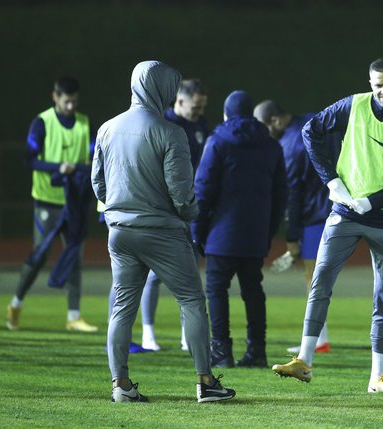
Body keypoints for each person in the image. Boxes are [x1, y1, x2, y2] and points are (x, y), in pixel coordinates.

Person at [272, 58, 383, 394]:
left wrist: (371, 201)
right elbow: (309, 130)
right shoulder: (353, 105)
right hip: (345, 213)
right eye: (378, 85)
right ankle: (304, 360)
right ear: (370, 83)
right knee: (320, 282)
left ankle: (377, 377)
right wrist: (332, 182)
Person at [91, 60, 235, 403]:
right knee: (191, 301)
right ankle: (205, 382)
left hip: (119, 230)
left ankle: (121, 385)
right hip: (162, 231)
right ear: (163, 89)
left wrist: (118, 207)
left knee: (122, 308)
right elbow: (181, 193)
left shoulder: (107, 128)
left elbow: (98, 184)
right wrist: (191, 215)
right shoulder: (171, 132)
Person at [104, 78, 210, 352]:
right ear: (179, 101)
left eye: (202, 107)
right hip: (155, 212)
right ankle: (148, 334)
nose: (199, 113)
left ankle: (185, 336)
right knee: (146, 278)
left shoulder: (196, 126)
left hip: (171, 209)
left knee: (184, 274)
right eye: (195, 107)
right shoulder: (163, 126)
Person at [193, 90, 286, 368]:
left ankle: (221, 352)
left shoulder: (217, 141)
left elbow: (203, 189)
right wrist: (267, 231)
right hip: (255, 232)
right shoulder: (271, 146)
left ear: (226, 114)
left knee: (216, 289)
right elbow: (281, 194)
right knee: (253, 289)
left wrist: (198, 230)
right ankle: (257, 350)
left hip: (221, 233)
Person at [6, 76, 98, 333]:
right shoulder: (42, 122)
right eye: (67, 101)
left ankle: (73, 316)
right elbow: (29, 160)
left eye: (74, 102)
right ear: (55, 97)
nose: (71, 107)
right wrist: (58, 167)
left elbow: (92, 160)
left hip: (73, 203)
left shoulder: (84, 123)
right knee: (39, 256)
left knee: (74, 256)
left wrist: (80, 170)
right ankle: (15, 303)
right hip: (47, 200)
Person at [253, 100, 332, 354]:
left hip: (316, 216)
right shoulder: (313, 117)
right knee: (319, 279)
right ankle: (320, 338)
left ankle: (318, 340)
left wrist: (292, 239)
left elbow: (293, 194)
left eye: (265, 127)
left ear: (275, 120)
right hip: (338, 205)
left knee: (313, 279)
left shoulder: (288, 144)